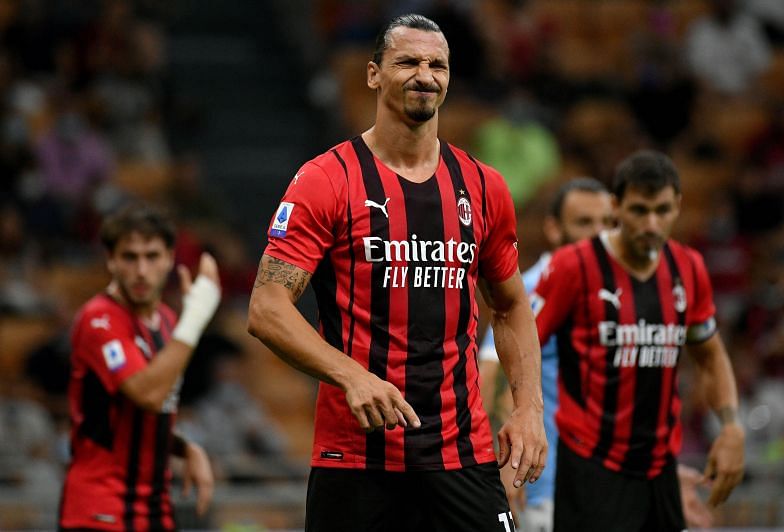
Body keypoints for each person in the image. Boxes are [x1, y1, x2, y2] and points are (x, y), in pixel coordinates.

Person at [247, 13, 547, 532]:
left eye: (437, 65)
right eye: (407, 61)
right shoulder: (327, 180)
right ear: (373, 74)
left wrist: (528, 410)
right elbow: (267, 307)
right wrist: (352, 376)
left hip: (461, 449)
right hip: (356, 456)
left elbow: (510, 303)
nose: (424, 75)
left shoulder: (483, 187)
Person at [532, 150, 744, 531]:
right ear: (616, 206)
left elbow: (711, 356)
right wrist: (521, 422)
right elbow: (522, 346)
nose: (651, 223)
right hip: (591, 466)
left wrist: (730, 426)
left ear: (678, 205)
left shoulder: (688, 267)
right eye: (639, 210)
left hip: (660, 467)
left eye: (662, 211)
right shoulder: (573, 266)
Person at [59, 203, 222, 531]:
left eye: (152, 256)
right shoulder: (99, 320)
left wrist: (185, 446)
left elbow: (146, 412)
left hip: (154, 511)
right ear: (111, 261)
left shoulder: (168, 322)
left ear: (170, 258)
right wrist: (196, 317)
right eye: (130, 257)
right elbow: (147, 393)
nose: (142, 270)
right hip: (99, 510)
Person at [479, 177, 614, 531]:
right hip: (550, 491)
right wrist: (508, 466)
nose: (598, 235)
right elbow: (491, 377)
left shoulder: (624, 294)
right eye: (584, 223)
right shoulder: (533, 290)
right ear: (554, 229)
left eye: (606, 223)